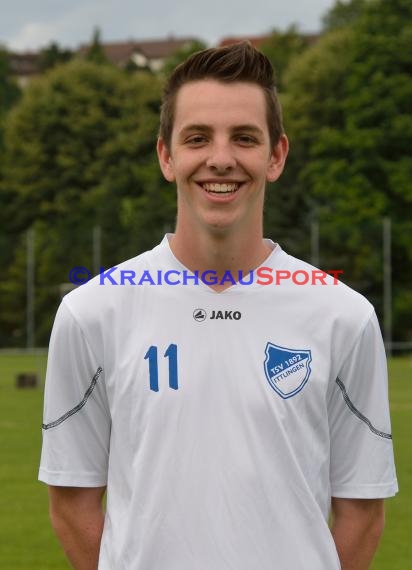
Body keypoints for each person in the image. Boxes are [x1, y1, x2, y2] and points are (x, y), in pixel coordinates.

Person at [39, 42, 398, 569]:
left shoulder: (343, 316)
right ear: (167, 156)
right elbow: (71, 504)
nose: (221, 158)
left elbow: (362, 512)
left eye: (245, 138)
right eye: (198, 138)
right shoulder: (91, 314)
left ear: (276, 156)